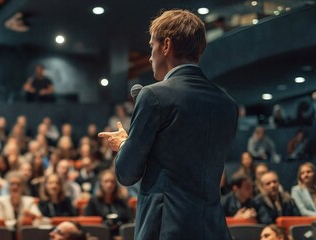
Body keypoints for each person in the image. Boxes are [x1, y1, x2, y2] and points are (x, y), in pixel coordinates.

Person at [98, 10, 237, 239]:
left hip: (165, 229)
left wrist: (124, 144)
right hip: (214, 230)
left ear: (166, 46)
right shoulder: (228, 103)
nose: (150, 57)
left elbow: (127, 173)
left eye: (152, 46)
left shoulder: (154, 96)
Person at [84, 170, 130, 237]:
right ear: (100, 184)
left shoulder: (121, 201)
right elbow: (89, 223)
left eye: (112, 182)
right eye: (106, 181)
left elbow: (130, 220)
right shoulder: (93, 201)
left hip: (119, 235)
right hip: (100, 236)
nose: (109, 184)